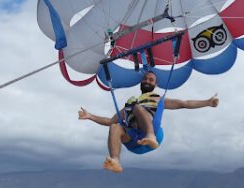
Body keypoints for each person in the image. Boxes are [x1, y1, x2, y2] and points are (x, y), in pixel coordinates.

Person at [78, 71, 219, 173]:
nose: (147, 81)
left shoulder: (158, 99)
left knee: (138, 107)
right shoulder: (130, 103)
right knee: (115, 126)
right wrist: (90, 116)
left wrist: (208, 102)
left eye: (151, 80)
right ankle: (115, 160)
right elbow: (110, 120)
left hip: (154, 136)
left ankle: (150, 136)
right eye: (145, 79)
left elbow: (185, 103)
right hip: (135, 142)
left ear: (156, 84)